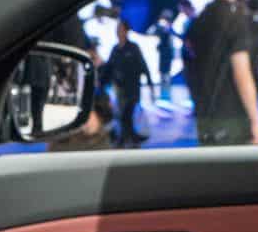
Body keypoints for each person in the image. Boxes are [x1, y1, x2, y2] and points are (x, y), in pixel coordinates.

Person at [186, 0, 258, 146]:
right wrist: (255, 121)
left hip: (205, 114)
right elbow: (241, 72)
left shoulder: (202, 17)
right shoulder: (235, 18)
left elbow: (191, 60)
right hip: (231, 116)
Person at [103, 19, 152, 147]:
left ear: (126, 31)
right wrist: (101, 83)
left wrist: (149, 82)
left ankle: (125, 139)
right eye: (117, 29)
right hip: (119, 88)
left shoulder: (133, 48)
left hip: (132, 88)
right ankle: (129, 138)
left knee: (127, 114)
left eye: (120, 29)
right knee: (123, 115)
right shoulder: (115, 49)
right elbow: (109, 67)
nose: (118, 31)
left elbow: (143, 65)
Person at [48, 91, 114, 151]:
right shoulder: (63, 140)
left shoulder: (104, 142)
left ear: (100, 117)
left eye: (89, 115)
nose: (86, 120)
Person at [153, 9, 177, 101]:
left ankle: (166, 94)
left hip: (166, 55)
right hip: (164, 54)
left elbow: (167, 42)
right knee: (164, 74)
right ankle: (164, 94)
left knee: (165, 75)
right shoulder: (163, 28)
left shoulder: (168, 28)